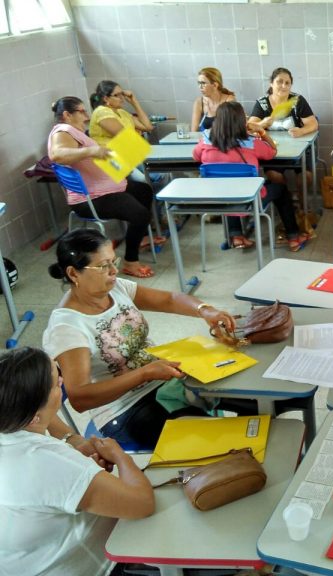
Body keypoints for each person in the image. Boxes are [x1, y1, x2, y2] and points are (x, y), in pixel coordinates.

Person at [43, 229, 236, 448]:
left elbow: (170, 299)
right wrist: (144, 373)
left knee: (249, 398)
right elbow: (80, 398)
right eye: (103, 266)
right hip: (127, 410)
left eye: (113, 261)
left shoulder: (115, 288)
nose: (114, 270)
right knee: (219, 441)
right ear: (74, 274)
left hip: (164, 383)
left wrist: (205, 310)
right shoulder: (67, 327)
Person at [0, 346, 154, 576]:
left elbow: (41, 419)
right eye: (56, 384)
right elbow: (142, 504)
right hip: (98, 569)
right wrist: (120, 456)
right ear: (33, 416)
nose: (62, 382)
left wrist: (75, 448)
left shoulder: (11, 426)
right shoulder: (45, 462)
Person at [48, 96, 156, 279]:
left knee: (144, 190)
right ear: (67, 115)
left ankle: (140, 236)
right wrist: (92, 150)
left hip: (104, 190)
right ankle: (131, 262)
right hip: (91, 198)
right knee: (140, 214)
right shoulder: (63, 131)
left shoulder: (74, 131)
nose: (87, 116)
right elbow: (57, 155)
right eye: (82, 111)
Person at [193, 101, 310, 252]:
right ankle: (293, 236)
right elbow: (272, 152)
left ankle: (236, 235)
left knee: (226, 186)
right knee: (280, 189)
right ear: (241, 121)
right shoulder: (250, 143)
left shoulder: (205, 140)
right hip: (251, 200)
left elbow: (196, 156)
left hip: (218, 199)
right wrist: (262, 132)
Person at [247, 67, 318, 191]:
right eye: (279, 82)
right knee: (273, 175)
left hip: (300, 148)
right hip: (273, 149)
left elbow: (313, 124)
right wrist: (262, 123)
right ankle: (286, 198)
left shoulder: (297, 101)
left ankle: (302, 201)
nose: (283, 86)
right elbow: (250, 127)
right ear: (271, 83)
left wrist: (301, 131)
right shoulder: (262, 103)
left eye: (287, 83)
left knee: (305, 176)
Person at [88, 80, 154, 146]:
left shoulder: (121, 112)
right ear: (106, 99)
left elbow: (148, 127)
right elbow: (126, 137)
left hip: (125, 150)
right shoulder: (102, 112)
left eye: (122, 94)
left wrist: (134, 102)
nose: (122, 98)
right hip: (107, 151)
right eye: (117, 95)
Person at [191, 67, 236, 132]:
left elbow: (228, 128)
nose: (200, 87)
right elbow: (193, 131)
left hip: (224, 138)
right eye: (199, 83)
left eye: (203, 83)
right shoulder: (199, 102)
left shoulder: (229, 100)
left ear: (215, 85)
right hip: (204, 138)